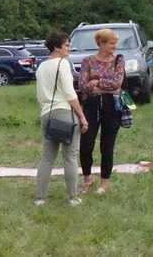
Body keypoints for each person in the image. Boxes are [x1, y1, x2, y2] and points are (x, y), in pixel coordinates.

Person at [35, 32, 89, 206]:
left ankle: (40, 198)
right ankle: (73, 197)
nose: (69, 48)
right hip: (64, 112)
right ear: (57, 47)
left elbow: (39, 94)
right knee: (70, 156)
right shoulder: (62, 64)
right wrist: (81, 116)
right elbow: (69, 93)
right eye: (66, 45)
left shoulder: (41, 67)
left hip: (46, 113)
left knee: (47, 158)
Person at [78, 28, 125, 194]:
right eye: (112, 43)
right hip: (91, 105)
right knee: (85, 144)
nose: (114, 46)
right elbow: (82, 85)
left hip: (112, 106)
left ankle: (104, 183)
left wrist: (96, 82)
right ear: (101, 43)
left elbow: (117, 83)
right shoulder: (87, 61)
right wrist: (102, 84)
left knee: (107, 145)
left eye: (115, 43)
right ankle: (87, 178)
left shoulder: (119, 60)